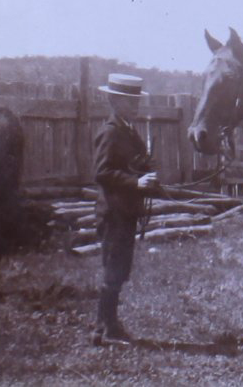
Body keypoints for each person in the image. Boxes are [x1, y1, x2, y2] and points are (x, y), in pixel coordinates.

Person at [91, 73, 158, 346]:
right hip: (114, 212)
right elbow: (102, 172)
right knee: (113, 270)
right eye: (131, 101)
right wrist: (137, 181)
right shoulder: (110, 132)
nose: (136, 106)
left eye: (137, 101)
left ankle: (107, 326)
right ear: (114, 101)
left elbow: (127, 165)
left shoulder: (127, 129)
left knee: (119, 270)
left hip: (126, 210)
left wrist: (144, 171)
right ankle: (104, 330)